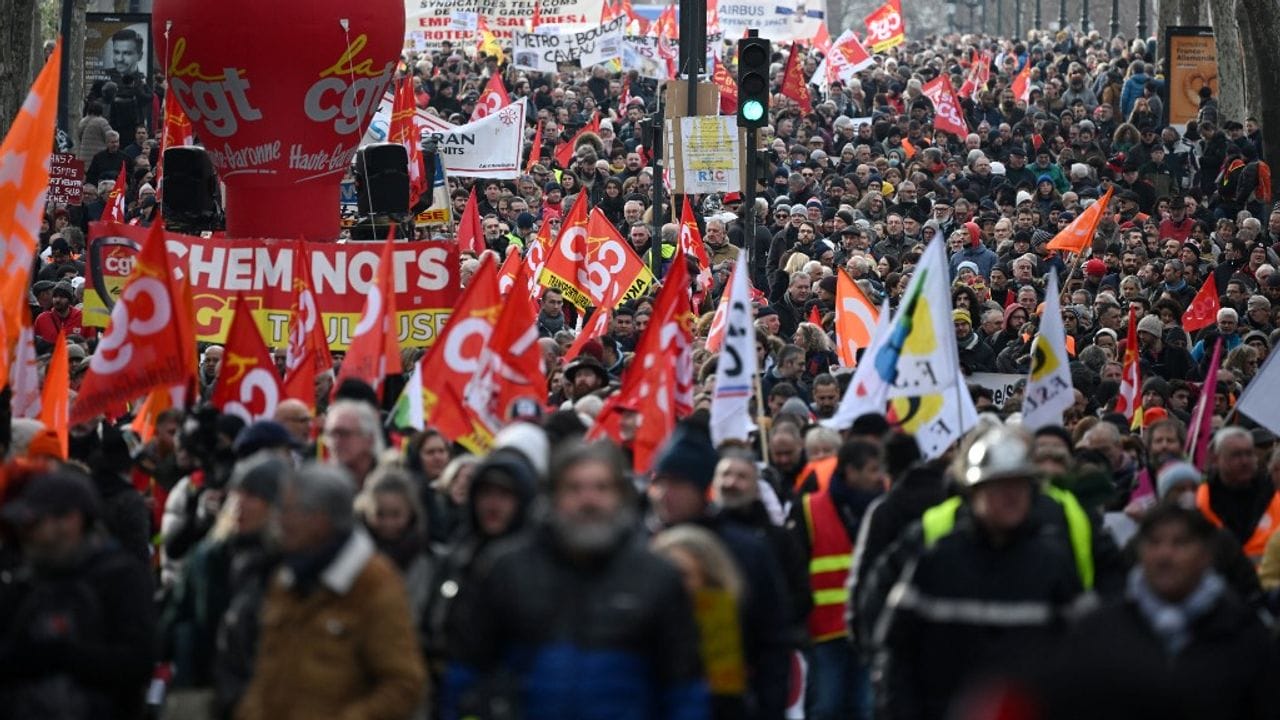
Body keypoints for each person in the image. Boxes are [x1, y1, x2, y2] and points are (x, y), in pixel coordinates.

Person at [442, 441, 710, 720]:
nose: (588, 501)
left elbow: (684, 688)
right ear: (553, 496)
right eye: (574, 488)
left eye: (601, 488)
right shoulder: (507, 570)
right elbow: (466, 675)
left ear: (620, 497)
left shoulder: (656, 577)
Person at [869, 426, 1091, 720]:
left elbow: (1081, 659)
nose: (1012, 496)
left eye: (1020, 485)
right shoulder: (936, 562)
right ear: (974, 492)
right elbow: (897, 654)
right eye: (999, 485)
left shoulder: (1053, 566)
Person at [1037, 504, 1278, 720]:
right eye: (1154, 542)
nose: (1165, 555)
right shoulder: (1097, 632)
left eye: (1180, 543)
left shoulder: (1245, 634)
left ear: (1206, 556)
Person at [236, 463, 426, 720]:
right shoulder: (286, 579)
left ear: (320, 519)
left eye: (291, 511)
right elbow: (266, 673)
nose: (281, 521)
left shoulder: (374, 584)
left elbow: (404, 685)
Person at [649, 423, 792, 720]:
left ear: (702, 488)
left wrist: (768, 707)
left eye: (677, 483)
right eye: (659, 482)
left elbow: (772, 640)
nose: (664, 494)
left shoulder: (745, 550)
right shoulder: (641, 548)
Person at [0, 468, 155, 719]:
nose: (25, 533)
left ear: (71, 521)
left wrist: (59, 656)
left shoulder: (119, 578)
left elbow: (137, 662)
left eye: (34, 522)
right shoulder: (26, 581)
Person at [1196, 427, 1280, 564]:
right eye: (1236, 455)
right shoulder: (1201, 499)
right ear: (1217, 459)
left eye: (1249, 454)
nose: (1244, 461)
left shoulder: (1272, 498)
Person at [320, 400, 383, 488]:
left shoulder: (391, 485)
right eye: (331, 434)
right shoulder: (319, 485)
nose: (336, 441)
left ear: (369, 438)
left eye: (344, 433)